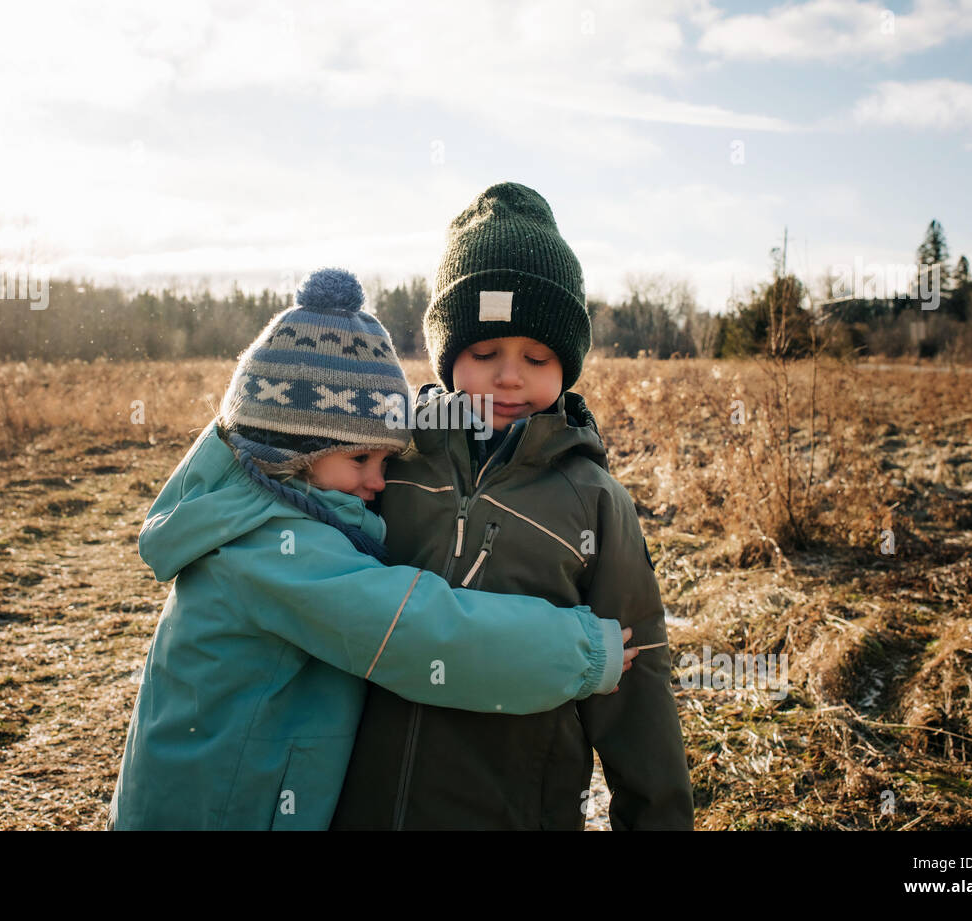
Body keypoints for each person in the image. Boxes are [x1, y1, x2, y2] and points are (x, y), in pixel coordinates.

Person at [106, 267, 639, 831]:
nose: (379, 483)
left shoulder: (254, 509)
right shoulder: (271, 551)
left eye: (387, 461)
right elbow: (418, 630)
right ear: (292, 451)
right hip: (216, 808)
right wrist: (578, 650)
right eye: (361, 460)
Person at [332, 183, 695, 830]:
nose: (509, 377)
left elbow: (639, 692)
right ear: (448, 358)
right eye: (483, 353)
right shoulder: (388, 465)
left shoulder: (594, 503)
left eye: (536, 356)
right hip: (363, 805)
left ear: (568, 363)